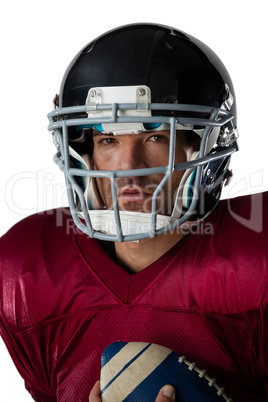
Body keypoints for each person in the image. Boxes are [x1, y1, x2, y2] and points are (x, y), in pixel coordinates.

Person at [0, 22, 267, 401]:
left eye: (156, 136)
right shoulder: (25, 272)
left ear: (206, 149)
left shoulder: (257, 260)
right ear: (84, 152)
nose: (127, 166)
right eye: (108, 139)